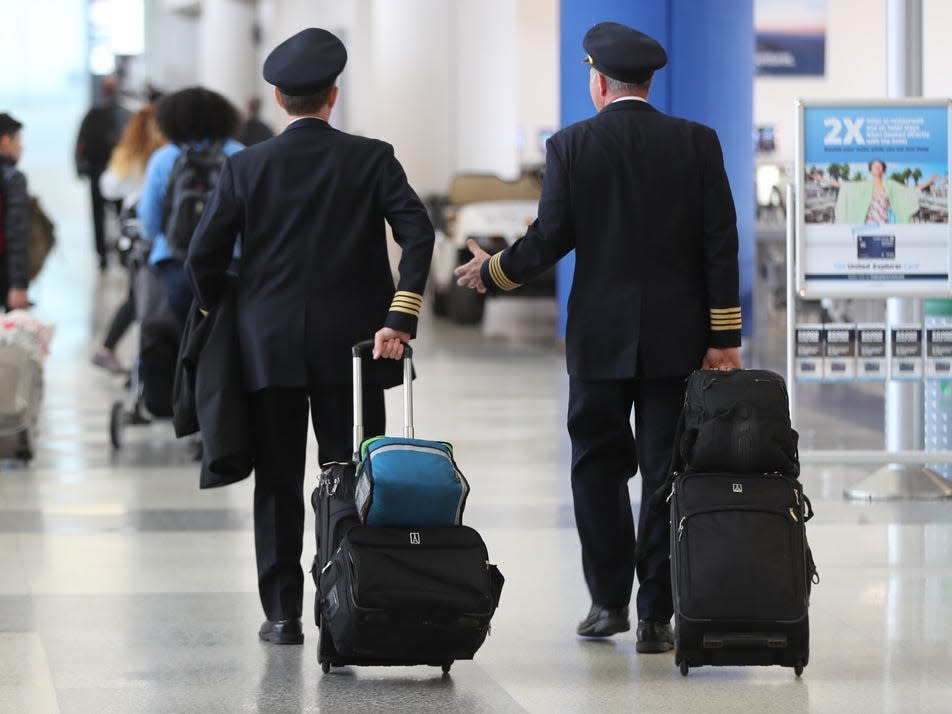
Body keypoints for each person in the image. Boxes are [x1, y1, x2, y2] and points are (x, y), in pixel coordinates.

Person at [455, 21, 743, 654]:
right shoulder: (698, 143)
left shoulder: (571, 146)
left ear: (599, 83)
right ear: (642, 83)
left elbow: (550, 239)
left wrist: (492, 269)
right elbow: (720, 243)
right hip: (679, 339)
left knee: (595, 468)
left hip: (599, 341)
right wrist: (724, 335)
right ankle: (656, 618)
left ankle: (606, 603)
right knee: (667, 472)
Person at [185, 28, 434, 645]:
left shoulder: (245, 167)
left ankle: (282, 614)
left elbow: (202, 257)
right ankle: (347, 600)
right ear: (334, 95)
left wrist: (229, 305)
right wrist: (398, 317)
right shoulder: (372, 157)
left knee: (276, 480)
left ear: (277, 98)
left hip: (267, 348)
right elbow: (419, 234)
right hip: (354, 353)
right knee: (348, 473)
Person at [137, 87, 244, 334]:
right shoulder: (237, 153)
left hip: (176, 262)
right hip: (231, 261)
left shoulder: (164, 158)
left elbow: (149, 219)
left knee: (185, 337)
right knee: (226, 336)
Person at [92, 105, 168, 374]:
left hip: (130, 237)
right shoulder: (163, 156)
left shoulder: (127, 155)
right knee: (143, 300)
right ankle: (115, 352)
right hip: (150, 235)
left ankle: (124, 358)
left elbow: (108, 186)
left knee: (140, 297)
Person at [75, 75, 132, 270]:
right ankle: (122, 253)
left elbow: (79, 144)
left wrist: (80, 167)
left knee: (100, 215)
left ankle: (103, 257)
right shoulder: (126, 114)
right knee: (122, 215)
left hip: (100, 170)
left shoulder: (93, 114)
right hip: (118, 172)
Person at [827, 159, 938, 224]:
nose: (877, 167)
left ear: (883, 170)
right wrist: (822, 179)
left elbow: (909, 191)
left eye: (879, 166)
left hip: (884, 223)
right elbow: (846, 186)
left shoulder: (890, 185)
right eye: (874, 166)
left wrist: (929, 181)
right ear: (870, 170)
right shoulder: (864, 185)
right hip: (867, 224)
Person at [0, 113, 31, 312]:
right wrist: (19, 283)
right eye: (18, 140)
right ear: (5, 141)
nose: (21, 147)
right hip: (4, 269)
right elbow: (16, 232)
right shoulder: (13, 178)